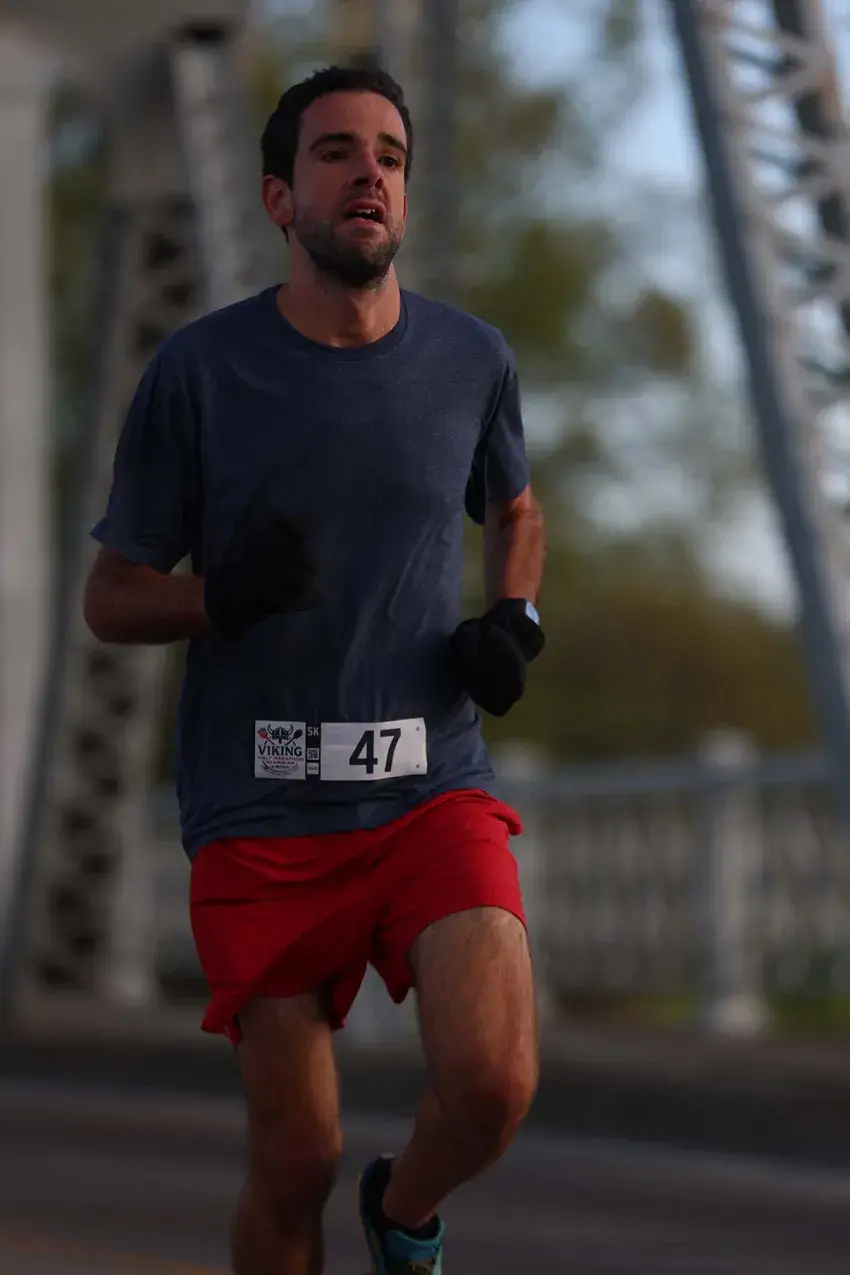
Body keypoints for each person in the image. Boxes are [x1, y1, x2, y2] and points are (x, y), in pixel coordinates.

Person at [83, 63, 546, 1275]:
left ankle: (403, 1211)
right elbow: (110, 599)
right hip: (262, 812)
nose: (369, 174)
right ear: (280, 199)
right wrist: (218, 595)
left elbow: (515, 508)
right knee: (295, 1161)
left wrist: (515, 618)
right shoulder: (198, 372)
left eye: (389, 155)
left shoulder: (471, 359)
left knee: (494, 1085)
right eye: (336, 152)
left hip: (430, 786)